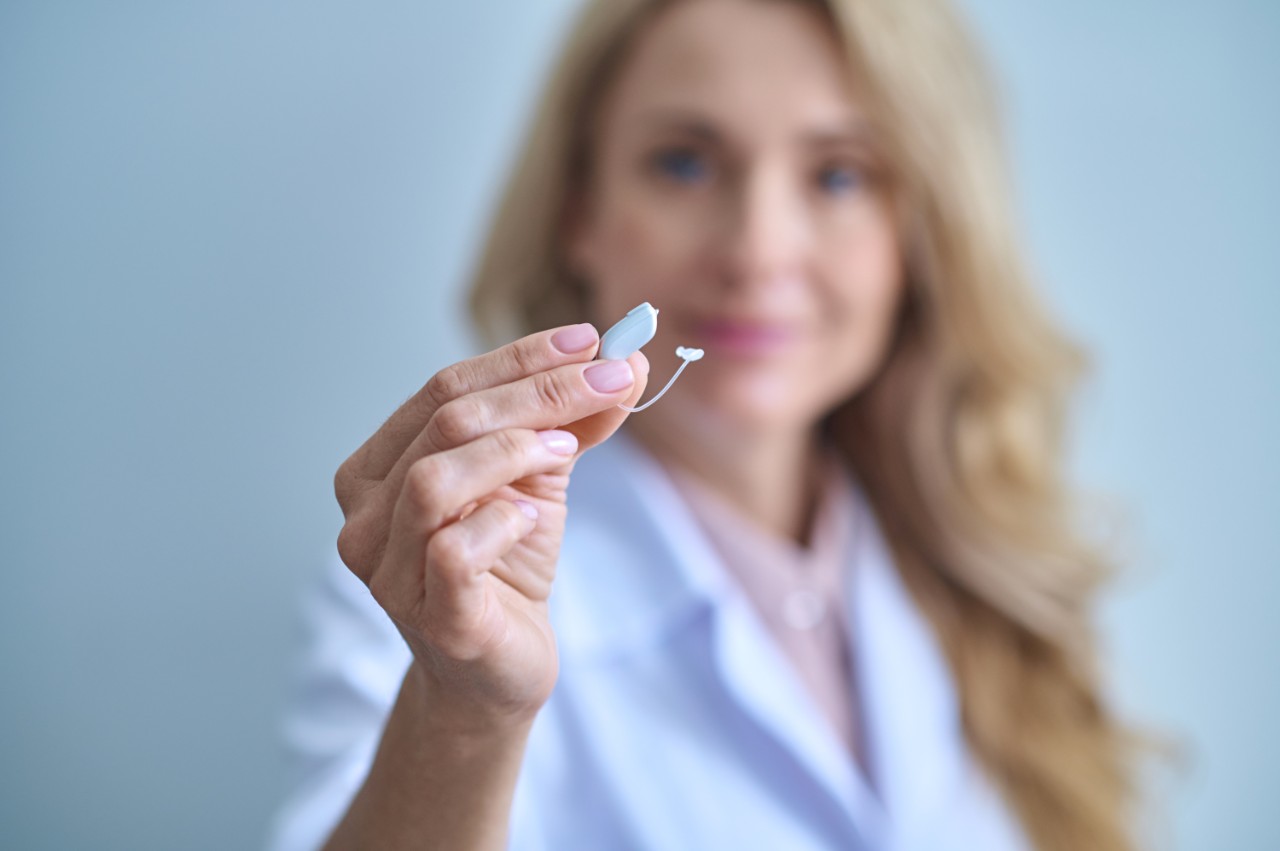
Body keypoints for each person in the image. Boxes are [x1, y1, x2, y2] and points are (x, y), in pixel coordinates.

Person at [266, 0, 1139, 849]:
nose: (757, 249)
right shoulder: (443, 579)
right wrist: (466, 710)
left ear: (916, 236)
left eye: (838, 174)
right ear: (580, 210)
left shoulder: (976, 566)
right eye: (684, 163)